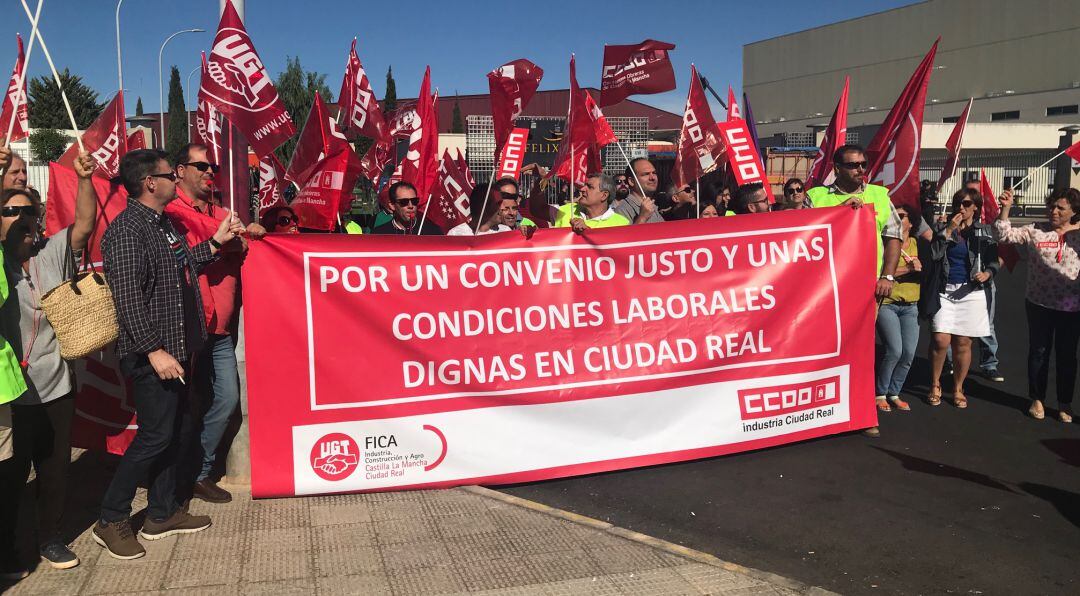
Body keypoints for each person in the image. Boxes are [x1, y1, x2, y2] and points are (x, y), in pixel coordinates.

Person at [95, 149, 244, 561]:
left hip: (177, 351)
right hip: (153, 356)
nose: (175, 183)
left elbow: (183, 265)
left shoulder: (162, 225)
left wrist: (214, 243)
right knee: (154, 437)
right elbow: (126, 298)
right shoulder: (127, 230)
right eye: (169, 176)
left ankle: (161, 513)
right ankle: (110, 518)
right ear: (150, 183)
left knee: (175, 432)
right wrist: (154, 350)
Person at [0, 152, 98, 573]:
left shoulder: (51, 253)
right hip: (12, 394)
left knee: (55, 472)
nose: (22, 218)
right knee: (9, 480)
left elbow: (85, 224)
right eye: (11, 210)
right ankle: (6, 550)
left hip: (56, 386)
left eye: (30, 211)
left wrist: (85, 179)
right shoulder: (0, 264)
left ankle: (50, 539)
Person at [166, 143, 264, 505]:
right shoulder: (172, 210)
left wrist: (249, 233)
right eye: (202, 166)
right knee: (183, 407)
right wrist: (231, 238)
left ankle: (199, 472)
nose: (210, 172)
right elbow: (215, 236)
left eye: (214, 167)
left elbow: (238, 242)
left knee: (225, 400)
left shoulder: (222, 212)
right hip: (187, 328)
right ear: (180, 171)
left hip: (220, 329)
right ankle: (176, 476)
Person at [807, 144, 903, 437]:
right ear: (837, 168)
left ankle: (863, 413)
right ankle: (817, 411)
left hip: (865, 290)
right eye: (853, 165)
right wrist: (840, 212)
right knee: (823, 351)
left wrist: (887, 275)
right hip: (824, 291)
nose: (861, 170)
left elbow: (893, 237)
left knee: (861, 353)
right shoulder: (817, 197)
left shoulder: (879, 195)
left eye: (863, 164)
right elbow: (799, 234)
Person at [994, 188, 1080, 422]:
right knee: (1039, 352)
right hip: (1039, 303)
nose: (1054, 211)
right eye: (1051, 206)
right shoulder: (1035, 230)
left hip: (1071, 308)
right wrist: (1006, 208)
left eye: (1061, 208)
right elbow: (1004, 236)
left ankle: (1064, 403)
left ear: (1073, 211)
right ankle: (1037, 399)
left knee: (1067, 356)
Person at [921, 188, 998, 409]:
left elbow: (994, 261)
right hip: (945, 290)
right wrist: (950, 228)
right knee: (940, 340)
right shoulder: (943, 227)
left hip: (971, 293)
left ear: (976, 207)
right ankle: (935, 383)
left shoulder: (984, 232)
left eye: (965, 204)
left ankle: (958, 388)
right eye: (958, 204)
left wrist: (988, 273)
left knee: (963, 343)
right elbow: (935, 253)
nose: (961, 208)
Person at [875, 205, 922, 413]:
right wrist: (907, 270)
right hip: (888, 304)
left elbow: (929, 265)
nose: (897, 218)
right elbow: (881, 271)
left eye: (901, 216)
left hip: (911, 306)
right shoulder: (885, 244)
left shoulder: (918, 245)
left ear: (911, 223)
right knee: (894, 350)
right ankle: (880, 393)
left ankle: (895, 393)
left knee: (909, 353)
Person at [554, 172, 630, 232]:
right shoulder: (566, 209)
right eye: (584, 185)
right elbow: (542, 209)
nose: (582, 189)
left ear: (604, 195)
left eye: (590, 187)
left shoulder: (621, 224)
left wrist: (587, 233)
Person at [448, 178, 519, 236]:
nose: (501, 209)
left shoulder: (505, 232)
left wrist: (521, 235)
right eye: (497, 204)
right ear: (484, 206)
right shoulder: (456, 234)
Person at [370, 182, 442, 235]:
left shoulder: (432, 232)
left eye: (414, 201)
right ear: (392, 205)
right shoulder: (380, 234)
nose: (410, 206)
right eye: (404, 202)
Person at [614, 158, 662, 224]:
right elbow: (627, 234)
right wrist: (642, 218)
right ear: (631, 181)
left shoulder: (653, 206)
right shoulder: (622, 211)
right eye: (646, 174)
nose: (652, 178)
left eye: (654, 173)